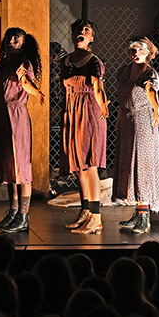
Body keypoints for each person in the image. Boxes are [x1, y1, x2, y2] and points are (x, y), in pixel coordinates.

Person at [0, 28, 45, 233]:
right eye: (9, 37)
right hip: (0, 114)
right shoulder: (4, 63)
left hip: (15, 117)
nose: (12, 40)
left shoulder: (24, 64)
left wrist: (36, 92)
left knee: (20, 167)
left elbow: (26, 83)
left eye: (17, 38)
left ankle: (23, 215)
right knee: (7, 166)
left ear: (24, 42)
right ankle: (12, 211)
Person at [113, 36, 159, 234]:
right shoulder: (123, 72)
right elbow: (120, 98)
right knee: (130, 164)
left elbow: (150, 90)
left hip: (143, 121)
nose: (136, 53)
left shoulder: (150, 73)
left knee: (142, 165)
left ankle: (145, 215)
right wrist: (119, 119)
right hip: (127, 120)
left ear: (148, 54)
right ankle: (138, 210)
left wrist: (156, 108)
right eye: (133, 50)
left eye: (140, 50)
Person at [61, 19, 109, 234]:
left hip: (89, 112)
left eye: (86, 30)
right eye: (77, 30)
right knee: (78, 165)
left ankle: (96, 218)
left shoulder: (94, 62)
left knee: (90, 166)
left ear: (92, 37)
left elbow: (98, 88)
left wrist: (102, 108)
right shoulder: (65, 61)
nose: (81, 32)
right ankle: (86, 210)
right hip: (72, 113)